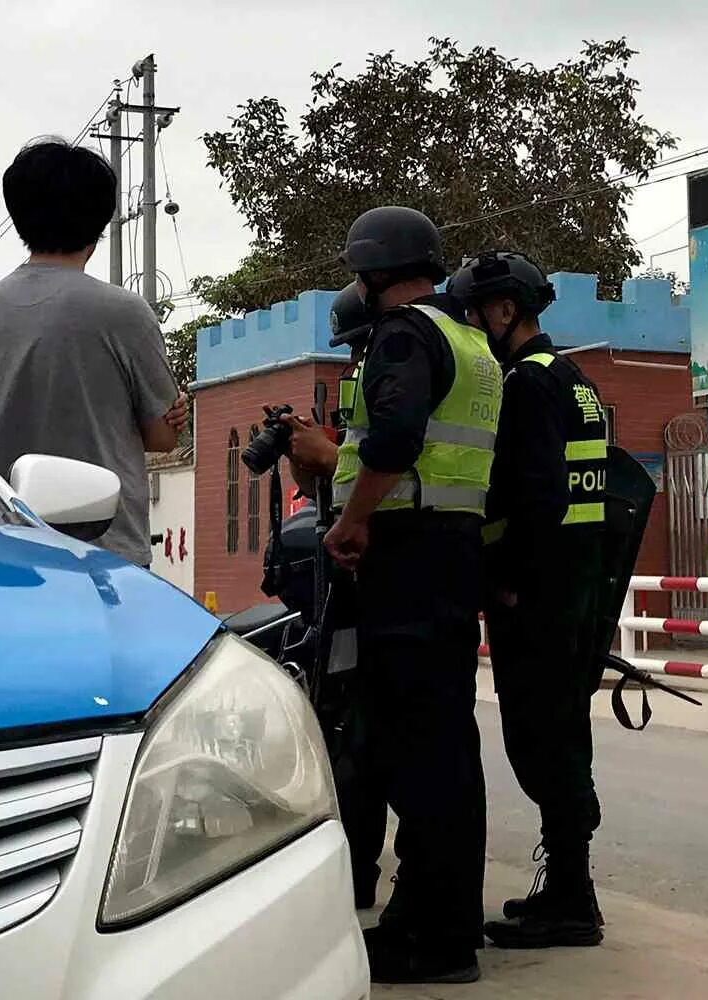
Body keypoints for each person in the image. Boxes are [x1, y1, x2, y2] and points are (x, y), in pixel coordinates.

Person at [322, 207, 500, 985]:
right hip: (454, 555)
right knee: (448, 745)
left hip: (406, 551)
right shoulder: (474, 343)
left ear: (370, 274)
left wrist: (352, 520)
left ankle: (426, 935)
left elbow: (392, 441)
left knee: (410, 747)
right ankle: (449, 923)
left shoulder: (402, 335)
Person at [448, 250, 608, 950]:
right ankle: (569, 888)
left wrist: (506, 573)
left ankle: (571, 900)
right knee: (563, 733)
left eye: (477, 312)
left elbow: (535, 496)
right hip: (573, 585)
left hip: (537, 594)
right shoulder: (573, 379)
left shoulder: (525, 386)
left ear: (505, 312)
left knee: (542, 740)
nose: (472, 323)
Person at [0, 137, 187, 566]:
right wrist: (175, 414)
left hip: (8, 543)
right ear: (99, 222)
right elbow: (162, 437)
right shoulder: (123, 312)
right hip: (103, 548)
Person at [278, 284, 389, 914]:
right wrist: (308, 459)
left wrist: (332, 455)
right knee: (347, 727)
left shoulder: (404, 369)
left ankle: (362, 873)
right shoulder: (369, 379)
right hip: (351, 589)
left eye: (357, 345)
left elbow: (389, 461)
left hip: (379, 577)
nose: (352, 360)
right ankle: (356, 872)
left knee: (364, 739)